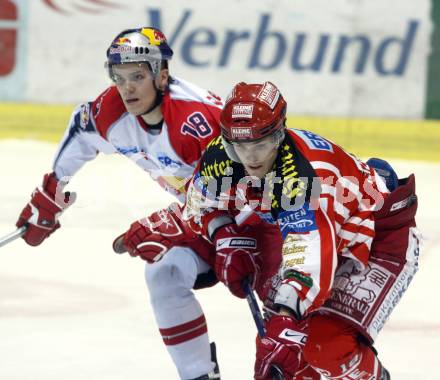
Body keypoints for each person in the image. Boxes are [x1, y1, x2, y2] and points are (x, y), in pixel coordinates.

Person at [15, 27, 224, 380]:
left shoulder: (196, 121)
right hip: (204, 219)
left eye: (138, 77)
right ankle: (199, 374)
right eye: (119, 77)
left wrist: (182, 220)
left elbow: (241, 191)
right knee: (164, 272)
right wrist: (53, 189)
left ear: (162, 75)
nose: (127, 88)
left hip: (258, 215)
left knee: (291, 310)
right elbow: (82, 132)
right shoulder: (112, 111)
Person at [182, 81, 420, 379]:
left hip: (379, 236)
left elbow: (308, 253)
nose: (251, 158)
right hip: (328, 236)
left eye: (261, 145)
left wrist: (286, 316)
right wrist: (224, 234)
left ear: (279, 135)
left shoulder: (303, 176)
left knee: (324, 344)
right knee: (282, 352)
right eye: (240, 146)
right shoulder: (220, 159)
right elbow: (198, 203)